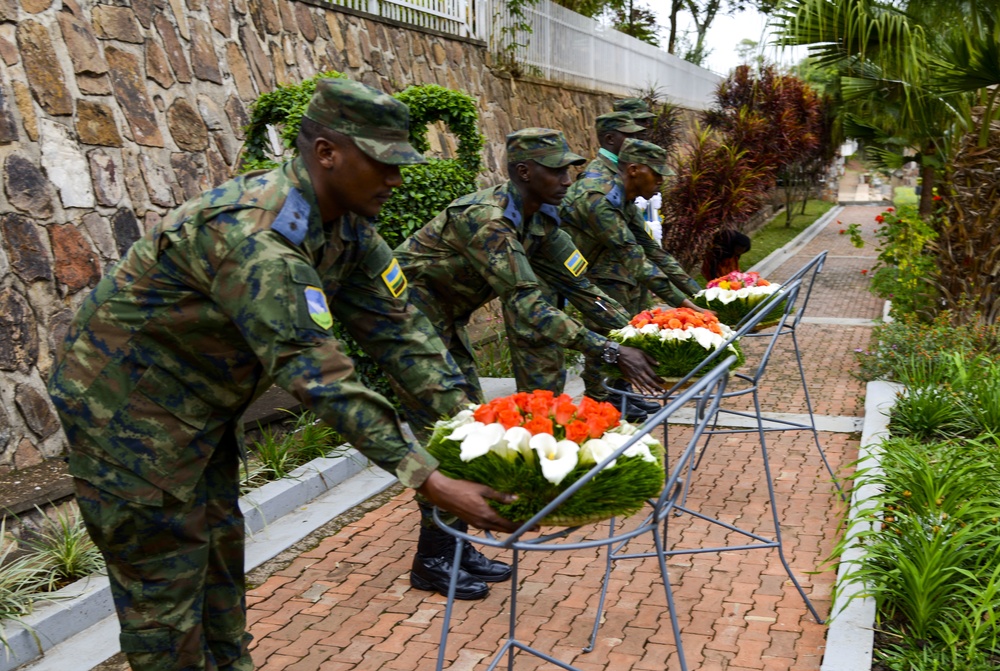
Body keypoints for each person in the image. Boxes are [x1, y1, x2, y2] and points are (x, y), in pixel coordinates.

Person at [46, 78, 518, 671]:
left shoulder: (349, 229)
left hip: (200, 409)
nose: (397, 180)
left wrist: (479, 434)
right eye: (384, 163)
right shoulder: (258, 237)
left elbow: (407, 336)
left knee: (219, 559)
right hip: (126, 415)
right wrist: (428, 477)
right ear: (327, 153)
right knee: (165, 597)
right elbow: (316, 372)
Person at [395, 127, 665, 409]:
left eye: (568, 171)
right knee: (449, 422)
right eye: (556, 171)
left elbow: (582, 289)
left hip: (445, 316)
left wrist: (640, 334)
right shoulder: (489, 221)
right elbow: (528, 304)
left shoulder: (541, 220)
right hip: (404, 314)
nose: (566, 181)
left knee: (466, 418)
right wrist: (610, 350)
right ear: (524, 172)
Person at [561, 138, 708, 407]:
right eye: (657, 172)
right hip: (554, 278)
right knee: (603, 337)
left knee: (623, 331)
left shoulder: (624, 200)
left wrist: (701, 296)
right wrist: (688, 305)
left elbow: (653, 251)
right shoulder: (600, 199)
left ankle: (619, 397)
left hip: (574, 276)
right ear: (634, 170)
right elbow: (635, 258)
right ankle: (599, 404)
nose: (662, 180)